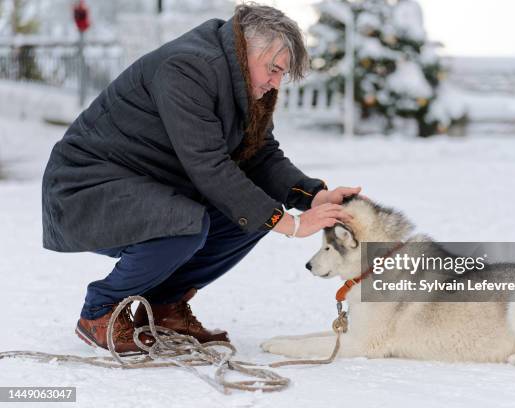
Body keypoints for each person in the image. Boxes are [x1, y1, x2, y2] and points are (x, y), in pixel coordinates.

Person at [41, 3, 360, 354]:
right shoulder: (188, 68)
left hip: (144, 185)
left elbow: (261, 156)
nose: (275, 83)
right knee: (190, 222)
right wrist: (292, 225)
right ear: (248, 48)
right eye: (273, 69)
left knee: (250, 217)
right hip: (84, 188)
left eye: (281, 74)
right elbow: (209, 167)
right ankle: (101, 310)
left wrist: (312, 197)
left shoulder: (239, 78)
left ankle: (163, 305)